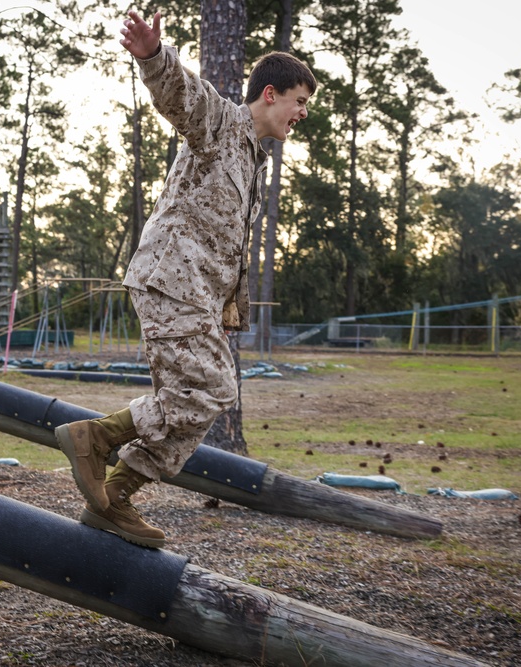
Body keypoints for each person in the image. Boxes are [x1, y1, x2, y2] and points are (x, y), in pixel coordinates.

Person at [56, 10, 316, 549]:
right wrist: (154, 56)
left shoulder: (251, 160)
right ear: (271, 94)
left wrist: (225, 313)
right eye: (300, 103)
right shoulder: (222, 123)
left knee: (202, 402)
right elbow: (183, 95)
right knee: (211, 389)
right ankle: (94, 438)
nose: (302, 115)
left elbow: (226, 245)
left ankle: (115, 498)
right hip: (168, 282)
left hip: (195, 296)